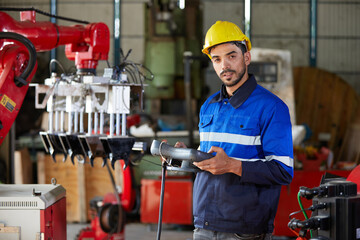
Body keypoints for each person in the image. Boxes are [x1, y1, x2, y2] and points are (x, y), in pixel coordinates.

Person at [175, 21, 294, 240]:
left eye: (231, 56)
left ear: (246, 58)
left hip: (244, 230)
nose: (224, 66)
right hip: (203, 225)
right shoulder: (209, 106)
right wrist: (184, 157)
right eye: (217, 59)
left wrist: (231, 165)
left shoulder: (272, 108)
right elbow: (210, 163)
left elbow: (283, 171)